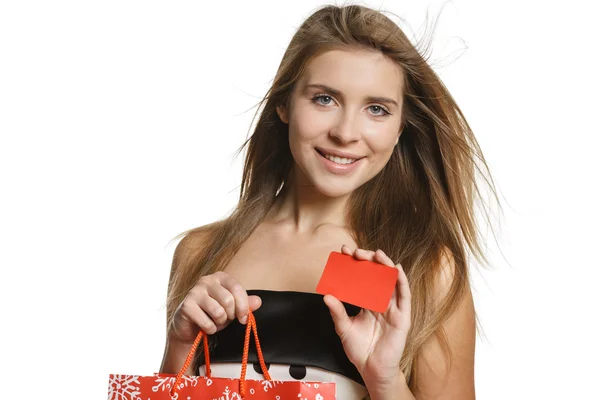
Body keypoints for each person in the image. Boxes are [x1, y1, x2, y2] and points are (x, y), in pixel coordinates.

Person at [159, 4, 500, 399]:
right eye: (324, 99)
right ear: (284, 104)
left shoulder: (423, 268)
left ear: (400, 126)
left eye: (376, 109)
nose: (346, 133)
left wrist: (385, 379)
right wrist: (180, 346)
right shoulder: (201, 252)